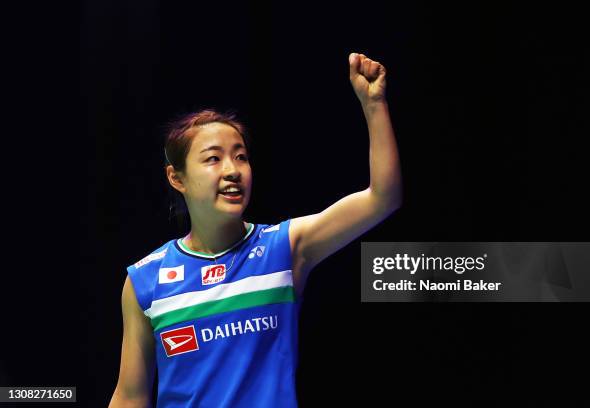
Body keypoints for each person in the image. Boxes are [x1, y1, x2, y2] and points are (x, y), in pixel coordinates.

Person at [109, 52, 402, 407]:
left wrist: (373, 104)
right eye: (213, 158)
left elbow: (383, 197)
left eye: (241, 156)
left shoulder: (284, 248)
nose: (232, 170)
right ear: (177, 177)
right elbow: (130, 396)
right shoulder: (145, 279)